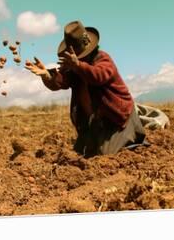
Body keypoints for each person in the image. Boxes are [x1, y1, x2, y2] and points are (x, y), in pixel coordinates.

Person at [25, 20, 147, 157]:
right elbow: (61, 82)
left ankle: (133, 139)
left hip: (116, 118)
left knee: (104, 155)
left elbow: (98, 76)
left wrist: (77, 65)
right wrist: (47, 75)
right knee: (81, 153)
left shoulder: (102, 58)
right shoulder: (73, 67)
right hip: (94, 121)